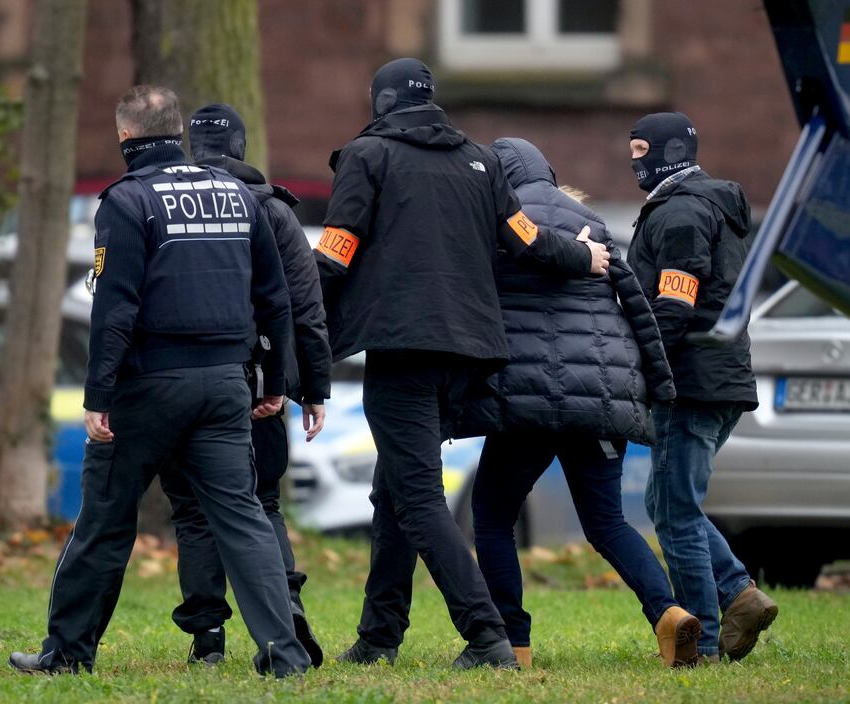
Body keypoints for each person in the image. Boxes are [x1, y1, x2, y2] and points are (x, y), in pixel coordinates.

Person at [316, 58, 611, 669]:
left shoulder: (366, 158)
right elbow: (526, 239)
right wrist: (583, 258)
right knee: (395, 491)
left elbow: (336, 253)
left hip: (402, 351)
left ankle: (486, 635)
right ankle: (379, 636)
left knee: (418, 497)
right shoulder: (479, 162)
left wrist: (289, 322)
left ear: (381, 104)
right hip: (469, 354)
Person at [8, 85, 310, 678]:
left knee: (105, 518)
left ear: (125, 137)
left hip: (147, 386)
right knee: (243, 518)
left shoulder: (126, 201)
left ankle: (67, 653)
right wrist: (273, 380)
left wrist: (99, 396)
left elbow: (114, 308)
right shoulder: (237, 195)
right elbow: (274, 300)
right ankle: (286, 656)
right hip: (226, 384)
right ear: (180, 133)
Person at [458, 137, 701, 669]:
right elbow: (637, 307)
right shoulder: (589, 219)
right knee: (608, 523)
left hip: (522, 402)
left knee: (494, 518)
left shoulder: (493, 222)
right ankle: (668, 615)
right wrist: (658, 388)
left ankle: (512, 645)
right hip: (597, 399)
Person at [153, 103, 331, 667]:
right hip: (260, 383)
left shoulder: (166, 206)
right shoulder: (273, 212)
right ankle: (289, 610)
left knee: (192, 509)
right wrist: (314, 387)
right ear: (241, 147)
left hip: (182, 378)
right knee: (263, 502)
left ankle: (208, 640)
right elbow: (306, 308)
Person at [626, 112, 777, 663]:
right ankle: (738, 593)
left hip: (692, 381)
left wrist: (644, 369)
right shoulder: (712, 204)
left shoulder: (683, 212)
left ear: (667, 151)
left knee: (677, 510)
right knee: (670, 502)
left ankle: (704, 644)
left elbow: (675, 304)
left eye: (641, 148)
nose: (634, 160)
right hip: (725, 376)